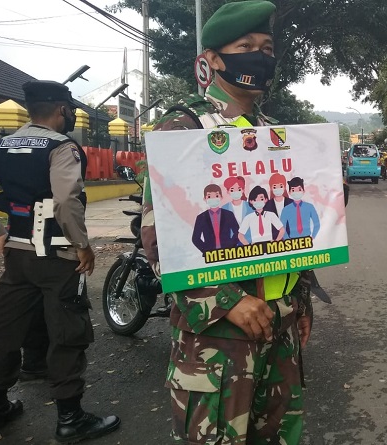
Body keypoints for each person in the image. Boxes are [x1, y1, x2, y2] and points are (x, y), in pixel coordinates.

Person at [143, 2, 312, 443]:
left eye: (267, 47)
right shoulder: (182, 129)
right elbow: (159, 237)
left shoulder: (274, 133)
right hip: (219, 334)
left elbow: (286, 226)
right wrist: (225, 301)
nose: (259, 55)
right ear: (214, 59)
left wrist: (302, 298)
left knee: (278, 434)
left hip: (280, 322)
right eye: (246, 46)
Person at [0, 80, 120, 442]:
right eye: (71, 111)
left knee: (4, 328)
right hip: (58, 254)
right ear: (62, 110)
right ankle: (70, 417)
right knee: (68, 331)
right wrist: (83, 245)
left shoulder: (3, 144)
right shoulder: (62, 146)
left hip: (17, 254)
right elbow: (66, 201)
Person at [192, 184, 240, 254]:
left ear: (221, 197)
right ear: (205, 199)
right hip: (211, 255)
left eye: (216, 196)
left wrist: (231, 247)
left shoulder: (228, 214)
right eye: (209, 196)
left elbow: (237, 232)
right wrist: (206, 250)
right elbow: (195, 238)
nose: (213, 199)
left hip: (229, 252)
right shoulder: (201, 217)